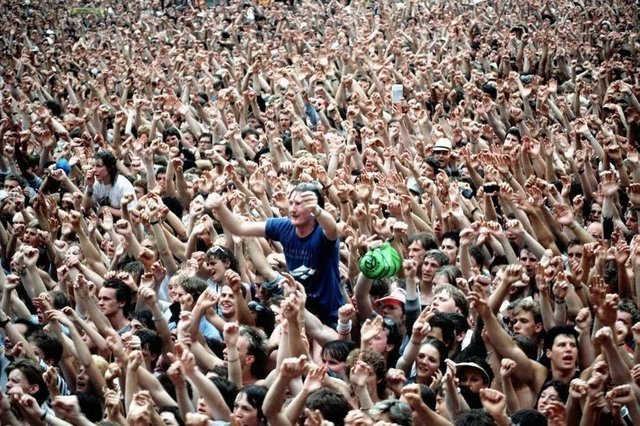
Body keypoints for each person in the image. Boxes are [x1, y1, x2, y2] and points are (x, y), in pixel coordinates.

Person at [206, 183, 343, 325]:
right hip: (298, 309)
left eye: (299, 204)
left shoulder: (322, 232)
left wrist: (317, 210)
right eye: (291, 203)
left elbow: (332, 229)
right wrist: (220, 207)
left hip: (330, 314)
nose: (292, 209)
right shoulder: (284, 226)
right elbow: (239, 228)